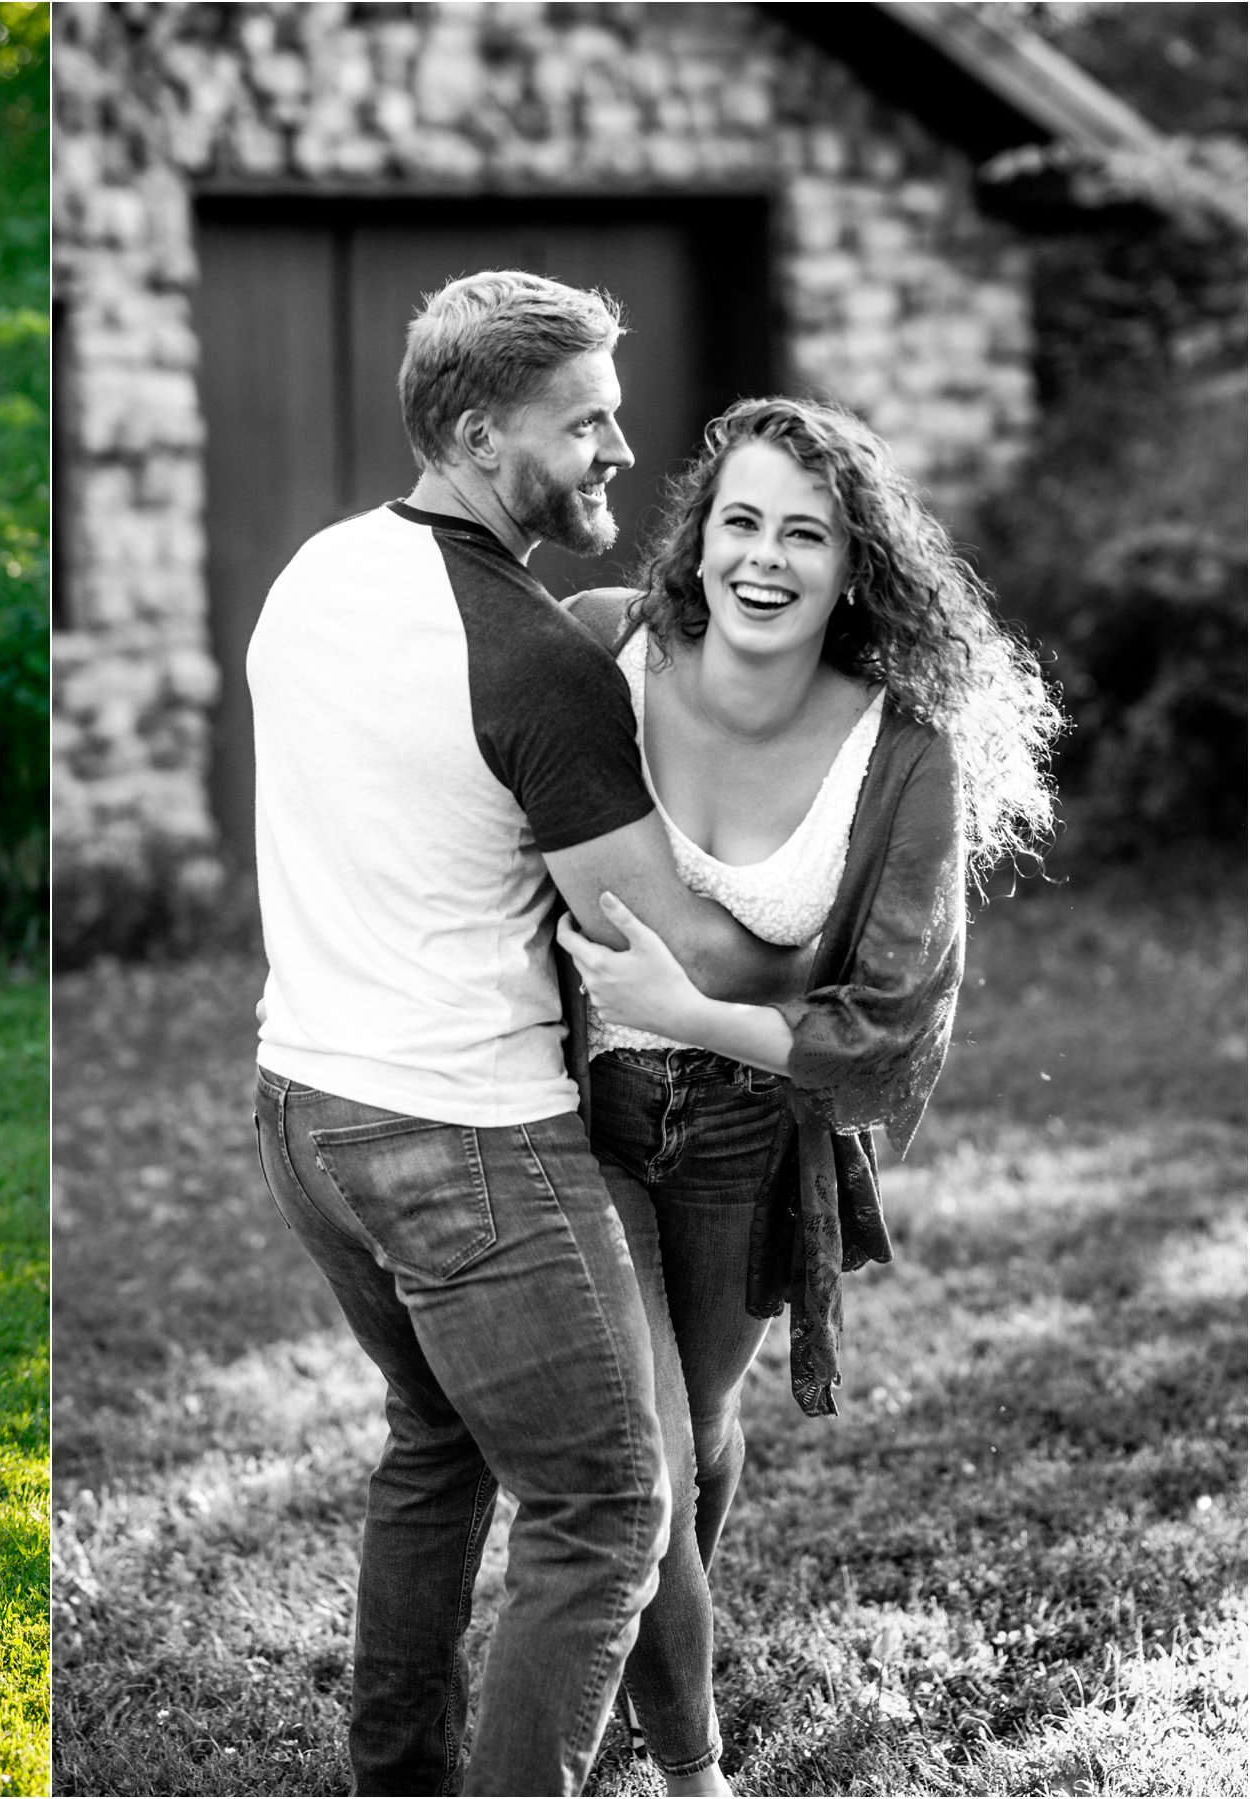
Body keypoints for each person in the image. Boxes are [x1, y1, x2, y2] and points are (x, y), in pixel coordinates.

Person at [246, 270, 805, 1797]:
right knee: (609, 1504)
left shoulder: (312, 574)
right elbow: (668, 942)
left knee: (433, 1445)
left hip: (304, 1108)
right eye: (587, 422)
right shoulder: (531, 658)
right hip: (463, 1139)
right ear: (484, 433)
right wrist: (839, 932)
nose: (620, 448)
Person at [555, 397, 1059, 1792]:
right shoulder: (604, 643)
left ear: (852, 569)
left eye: (803, 532)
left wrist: (692, 1011)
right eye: (737, 522)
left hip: (739, 1135)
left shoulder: (899, 749)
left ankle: (610, 1687)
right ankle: (692, 1767)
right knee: (634, 1455)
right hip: (565, 1113)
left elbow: (887, 1023)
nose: (761, 558)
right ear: (694, 540)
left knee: (696, 1430)